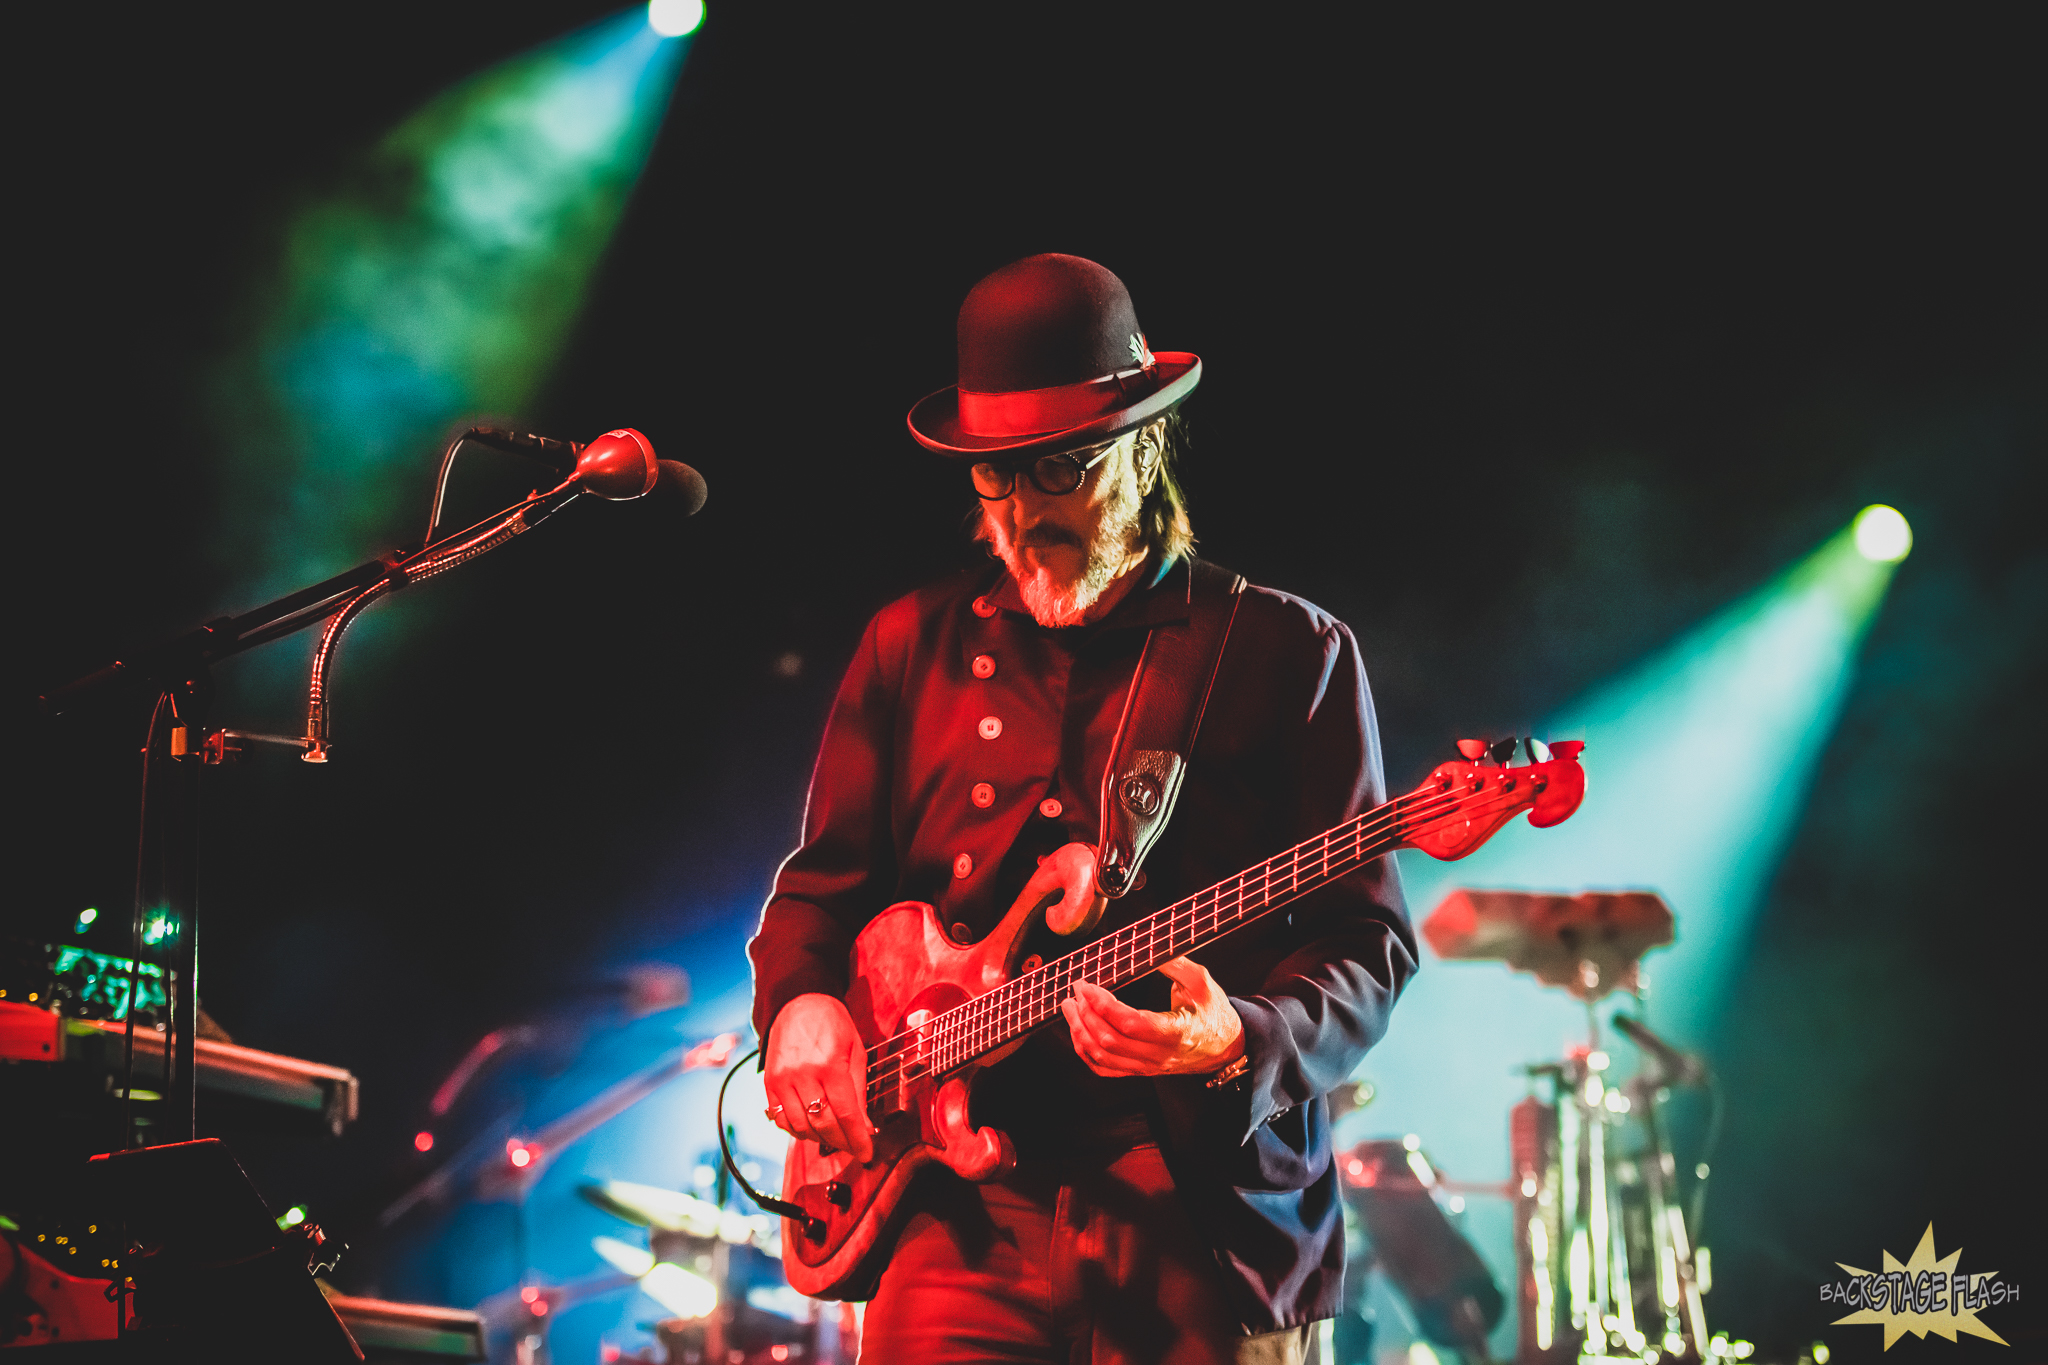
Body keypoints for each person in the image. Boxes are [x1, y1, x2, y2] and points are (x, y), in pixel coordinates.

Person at [748, 254, 1416, 1363]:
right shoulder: (909, 643)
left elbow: (1365, 945)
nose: (1018, 516)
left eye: (1055, 470)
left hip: (1201, 1212)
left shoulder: (1283, 653)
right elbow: (819, 892)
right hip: (951, 1220)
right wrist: (799, 1007)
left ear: (1143, 445)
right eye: (991, 479)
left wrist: (1236, 1039)